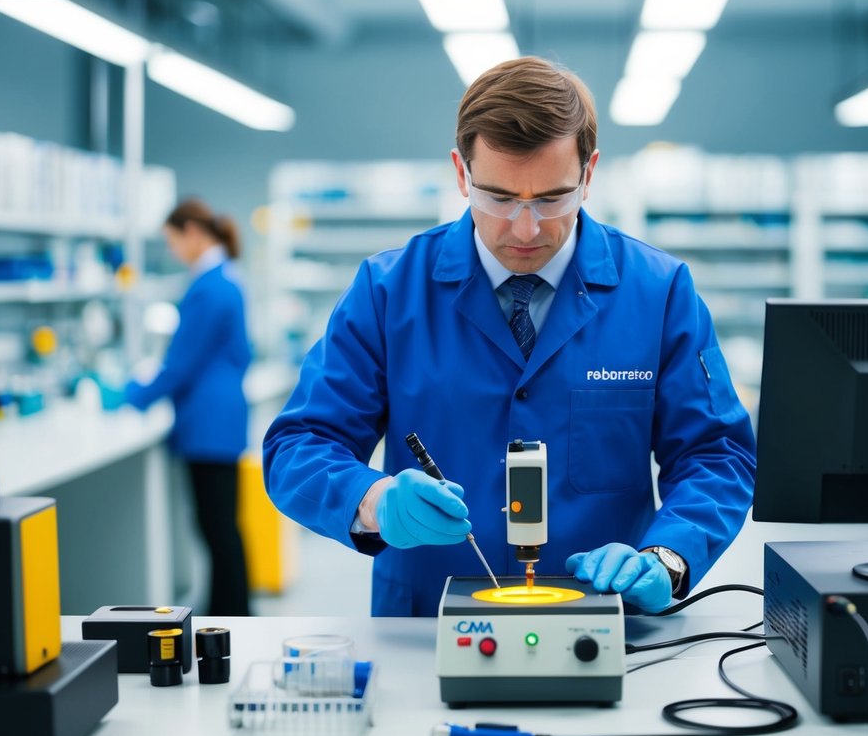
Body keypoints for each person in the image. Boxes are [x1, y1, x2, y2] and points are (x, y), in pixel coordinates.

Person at [264, 57, 755, 617]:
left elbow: (716, 454)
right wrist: (372, 500)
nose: (525, 229)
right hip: (427, 627)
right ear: (460, 173)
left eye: (552, 199)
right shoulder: (388, 291)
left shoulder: (659, 293)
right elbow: (298, 446)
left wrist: (669, 555)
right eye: (498, 197)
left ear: (589, 175)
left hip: (609, 624)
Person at [126, 198, 252, 616]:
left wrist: (132, 395)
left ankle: (230, 613)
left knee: (216, 526)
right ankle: (228, 608)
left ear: (193, 233)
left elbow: (181, 362)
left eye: (174, 241)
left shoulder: (209, 287)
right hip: (221, 420)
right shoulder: (226, 280)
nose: (175, 251)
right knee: (220, 525)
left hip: (208, 426)